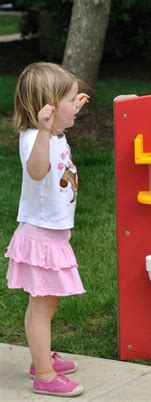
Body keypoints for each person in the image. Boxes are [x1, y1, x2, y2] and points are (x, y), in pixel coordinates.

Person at [5, 62, 89, 397]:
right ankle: (44, 374)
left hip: (52, 236)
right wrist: (42, 131)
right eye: (71, 100)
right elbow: (37, 171)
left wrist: (68, 111)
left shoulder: (55, 134)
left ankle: (40, 358)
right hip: (40, 238)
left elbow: (57, 131)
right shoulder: (35, 139)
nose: (77, 105)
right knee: (42, 308)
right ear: (48, 111)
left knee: (46, 305)